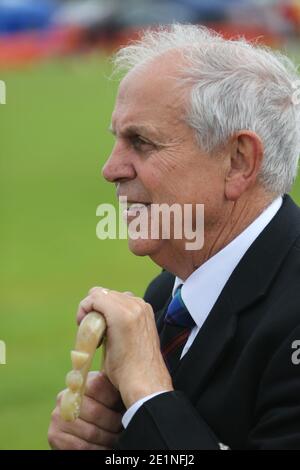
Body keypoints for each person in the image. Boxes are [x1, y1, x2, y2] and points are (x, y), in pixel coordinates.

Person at [48, 24, 300, 450]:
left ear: (238, 162)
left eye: (140, 142)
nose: (111, 169)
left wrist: (148, 395)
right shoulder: (170, 293)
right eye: (117, 140)